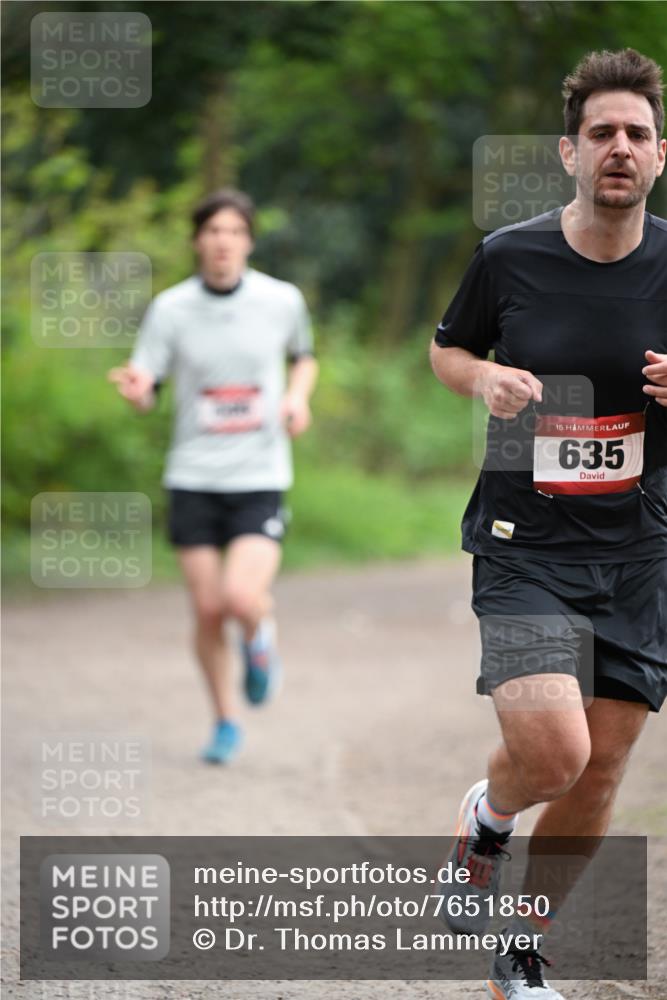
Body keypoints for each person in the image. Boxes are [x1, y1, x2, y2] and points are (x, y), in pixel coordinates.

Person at [430, 49, 666, 999]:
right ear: (568, 153)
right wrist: (482, 377)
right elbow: (447, 350)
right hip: (523, 544)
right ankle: (487, 820)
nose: (619, 148)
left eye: (636, 135)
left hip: (642, 550)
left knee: (600, 771)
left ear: (660, 156)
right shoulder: (509, 255)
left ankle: (521, 948)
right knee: (555, 755)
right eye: (601, 133)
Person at [109, 189, 318, 765]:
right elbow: (147, 381)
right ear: (198, 241)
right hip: (193, 476)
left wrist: (297, 398)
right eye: (212, 231)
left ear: (248, 240)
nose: (222, 241)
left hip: (259, 473)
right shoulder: (171, 309)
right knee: (205, 611)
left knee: (240, 597)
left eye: (233, 231)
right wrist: (138, 392)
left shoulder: (281, 300)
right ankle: (225, 721)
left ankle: (259, 638)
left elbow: (304, 355)